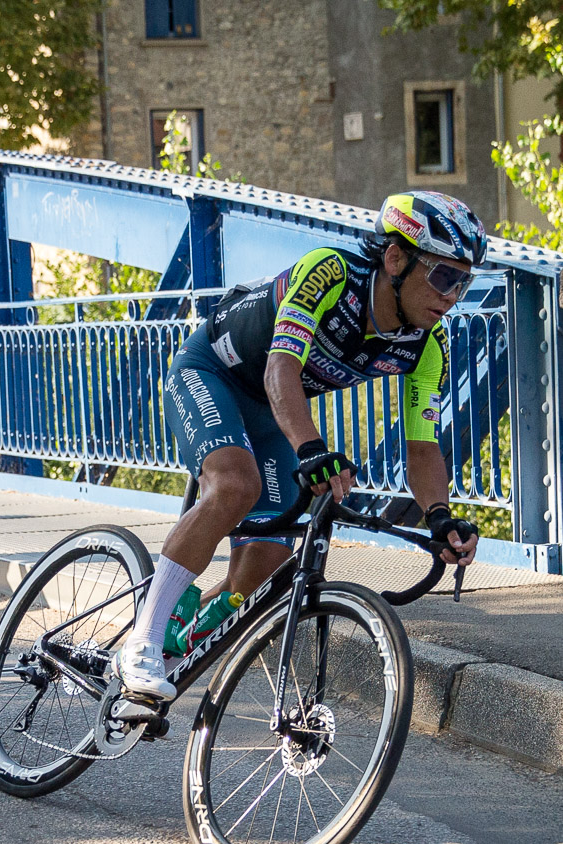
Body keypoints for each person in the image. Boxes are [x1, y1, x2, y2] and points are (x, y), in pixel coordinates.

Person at [112, 191, 485, 701]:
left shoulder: (426, 346)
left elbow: (422, 448)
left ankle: (185, 637)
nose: (452, 295)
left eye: (465, 282)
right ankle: (143, 641)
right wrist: (311, 446)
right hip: (213, 374)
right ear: (396, 258)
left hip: (269, 411)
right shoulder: (329, 273)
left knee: (266, 567)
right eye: (444, 276)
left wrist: (441, 517)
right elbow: (279, 367)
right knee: (235, 485)